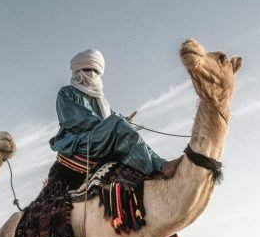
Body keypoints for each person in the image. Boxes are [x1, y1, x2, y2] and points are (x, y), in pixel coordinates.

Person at [48, 49, 180, 178]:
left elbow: (111, 118)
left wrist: (124, 122)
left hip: (102, 138)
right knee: (117, 124)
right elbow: (80, 122)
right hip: (81, 142)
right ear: (78, 71)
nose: (92, 74)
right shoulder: (66, 93)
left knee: (134, 137)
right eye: (88, 70)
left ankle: (162, 165)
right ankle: (150, 172)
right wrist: (113, 124)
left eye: (96, 71)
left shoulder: (101, 101)